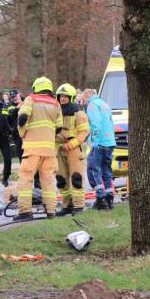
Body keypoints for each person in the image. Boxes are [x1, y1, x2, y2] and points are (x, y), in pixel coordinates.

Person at [16, 76, 63, 220]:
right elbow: (59, 127)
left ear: (36, 87)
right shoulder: (56, 103)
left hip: (32, 149)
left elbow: (23, 117)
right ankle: (51, 212)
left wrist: (22, 132)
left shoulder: (31, 99)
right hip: (49, 151)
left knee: (26, 179)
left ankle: (25, 212)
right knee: (48, 182)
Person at [54, 83, 90, 216]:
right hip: (58, 149)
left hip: (74, 150)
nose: (62, 98)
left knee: (76, 178)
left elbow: (84, 132)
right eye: (61, 96)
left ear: (71, 97)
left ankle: (79, 207)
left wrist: (70, 144)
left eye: (65, 96)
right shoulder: (55, 111)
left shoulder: (78, 112)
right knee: (61, 179)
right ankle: (67, 206)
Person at [82, 88, 116, 210]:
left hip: (99, 142)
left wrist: (92, 141)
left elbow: (95, 124)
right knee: (106, 171)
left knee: (92, 170)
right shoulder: (104, 104)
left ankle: (101, 199)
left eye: (83, 100)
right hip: (109, 142)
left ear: (87, 97)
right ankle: (109, 198)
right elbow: (111, 124)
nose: (83, 102)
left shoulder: (92, 104)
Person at [6, 89, 24, 159]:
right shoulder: (10, 106)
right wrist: (17, 108)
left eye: (15, 96)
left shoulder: (26, 102)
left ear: (19, 94)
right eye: (12, 97)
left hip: (28, 132)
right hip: (17, 133)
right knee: (20, 152)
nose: (14, 98)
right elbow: (11, 116)